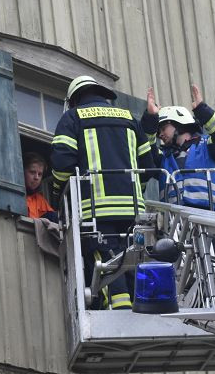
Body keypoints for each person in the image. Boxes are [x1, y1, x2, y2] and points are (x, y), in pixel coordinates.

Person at [51, 75, 154, 310]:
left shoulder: (72, 118)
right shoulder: (129, 118)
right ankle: (142, 306)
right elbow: (147, 166)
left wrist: (58, 197)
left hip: (96, 209)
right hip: (133, 211)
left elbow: (62, 165)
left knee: (107, 261)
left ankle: (119, 309)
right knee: (133, 258)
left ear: (74, 99)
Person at [143, 84, 215, 212]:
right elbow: (147, 149)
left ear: (179, 123)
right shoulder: (164, 157)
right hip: (175, 224)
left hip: (212, 220)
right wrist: (150, 118)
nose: (161, 135)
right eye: (158, 132)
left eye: (163, 128)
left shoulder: (207, 147)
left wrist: (202, 110)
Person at [23, 152, 58, 222]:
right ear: (22, 171)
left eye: (40, 174)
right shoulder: (15, 195)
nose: (36, 177)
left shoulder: (40, 200)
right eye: (32, 172)